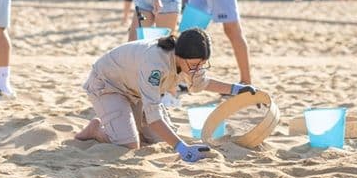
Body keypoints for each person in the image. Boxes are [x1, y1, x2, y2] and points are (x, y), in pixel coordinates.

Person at [74, 28, 257, 160]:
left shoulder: (191, 61)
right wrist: (183, 148)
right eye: (194, 65)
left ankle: (127, 126)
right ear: (179, 56)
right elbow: (154, 115)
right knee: (128, 144)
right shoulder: (155, 63)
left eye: (202, 65)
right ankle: (96, 130)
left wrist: (237, 89)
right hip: (108, 86)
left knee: (160, 141)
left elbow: (201, 84)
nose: (198, 69)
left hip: (136, 92)